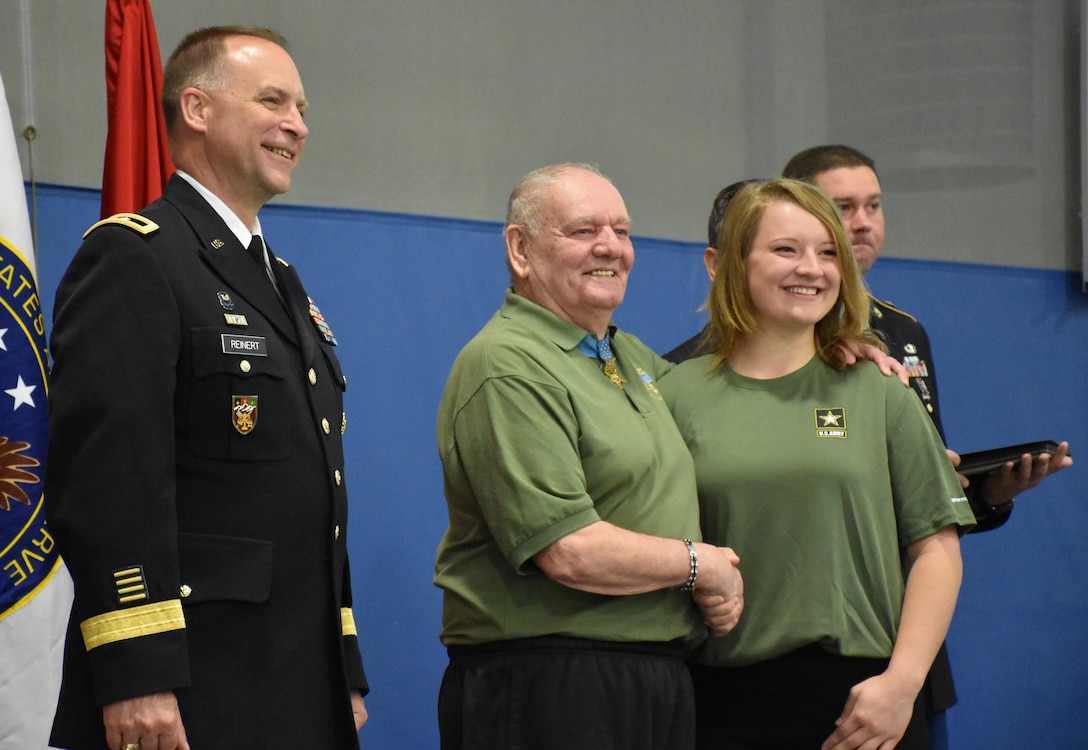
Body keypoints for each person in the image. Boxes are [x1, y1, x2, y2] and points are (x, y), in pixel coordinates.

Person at [45, 27, 368, 750]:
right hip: (191, 687)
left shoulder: (281, 283)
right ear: (196, 108)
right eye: (272, 101)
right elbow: (108, 483)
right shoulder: (134, 258)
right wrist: (134, 670)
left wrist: (339, 664)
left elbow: (315, 497)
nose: (297, 125)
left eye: (303, 109)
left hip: (293, 680)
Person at [433, 163, 744, 750]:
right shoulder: (507, 363)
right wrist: (701, 565)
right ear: (520, 249)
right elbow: (569, 550)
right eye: (583, 231)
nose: (611, 247)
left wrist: (835, 357)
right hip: (552, 682)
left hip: (652, 673)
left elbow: (736, 399)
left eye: (622, 231)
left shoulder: (629, 357)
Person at [659, 178, 978, 749]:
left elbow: (936, 549)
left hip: (866, 705)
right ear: (729, 263)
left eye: (828, 252)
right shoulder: (672, 394)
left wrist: (901, 686)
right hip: (719, 704)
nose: (812, 267)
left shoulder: (880, 388)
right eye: (786, 249)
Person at [781, 144, 1073, 744]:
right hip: (802, 621)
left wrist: (985, 494)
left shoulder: (901, 330)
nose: (861, 222)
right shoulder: (763, 342)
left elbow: (925, 494)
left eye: (873, 206)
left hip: (905, 626)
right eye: (843, 207)